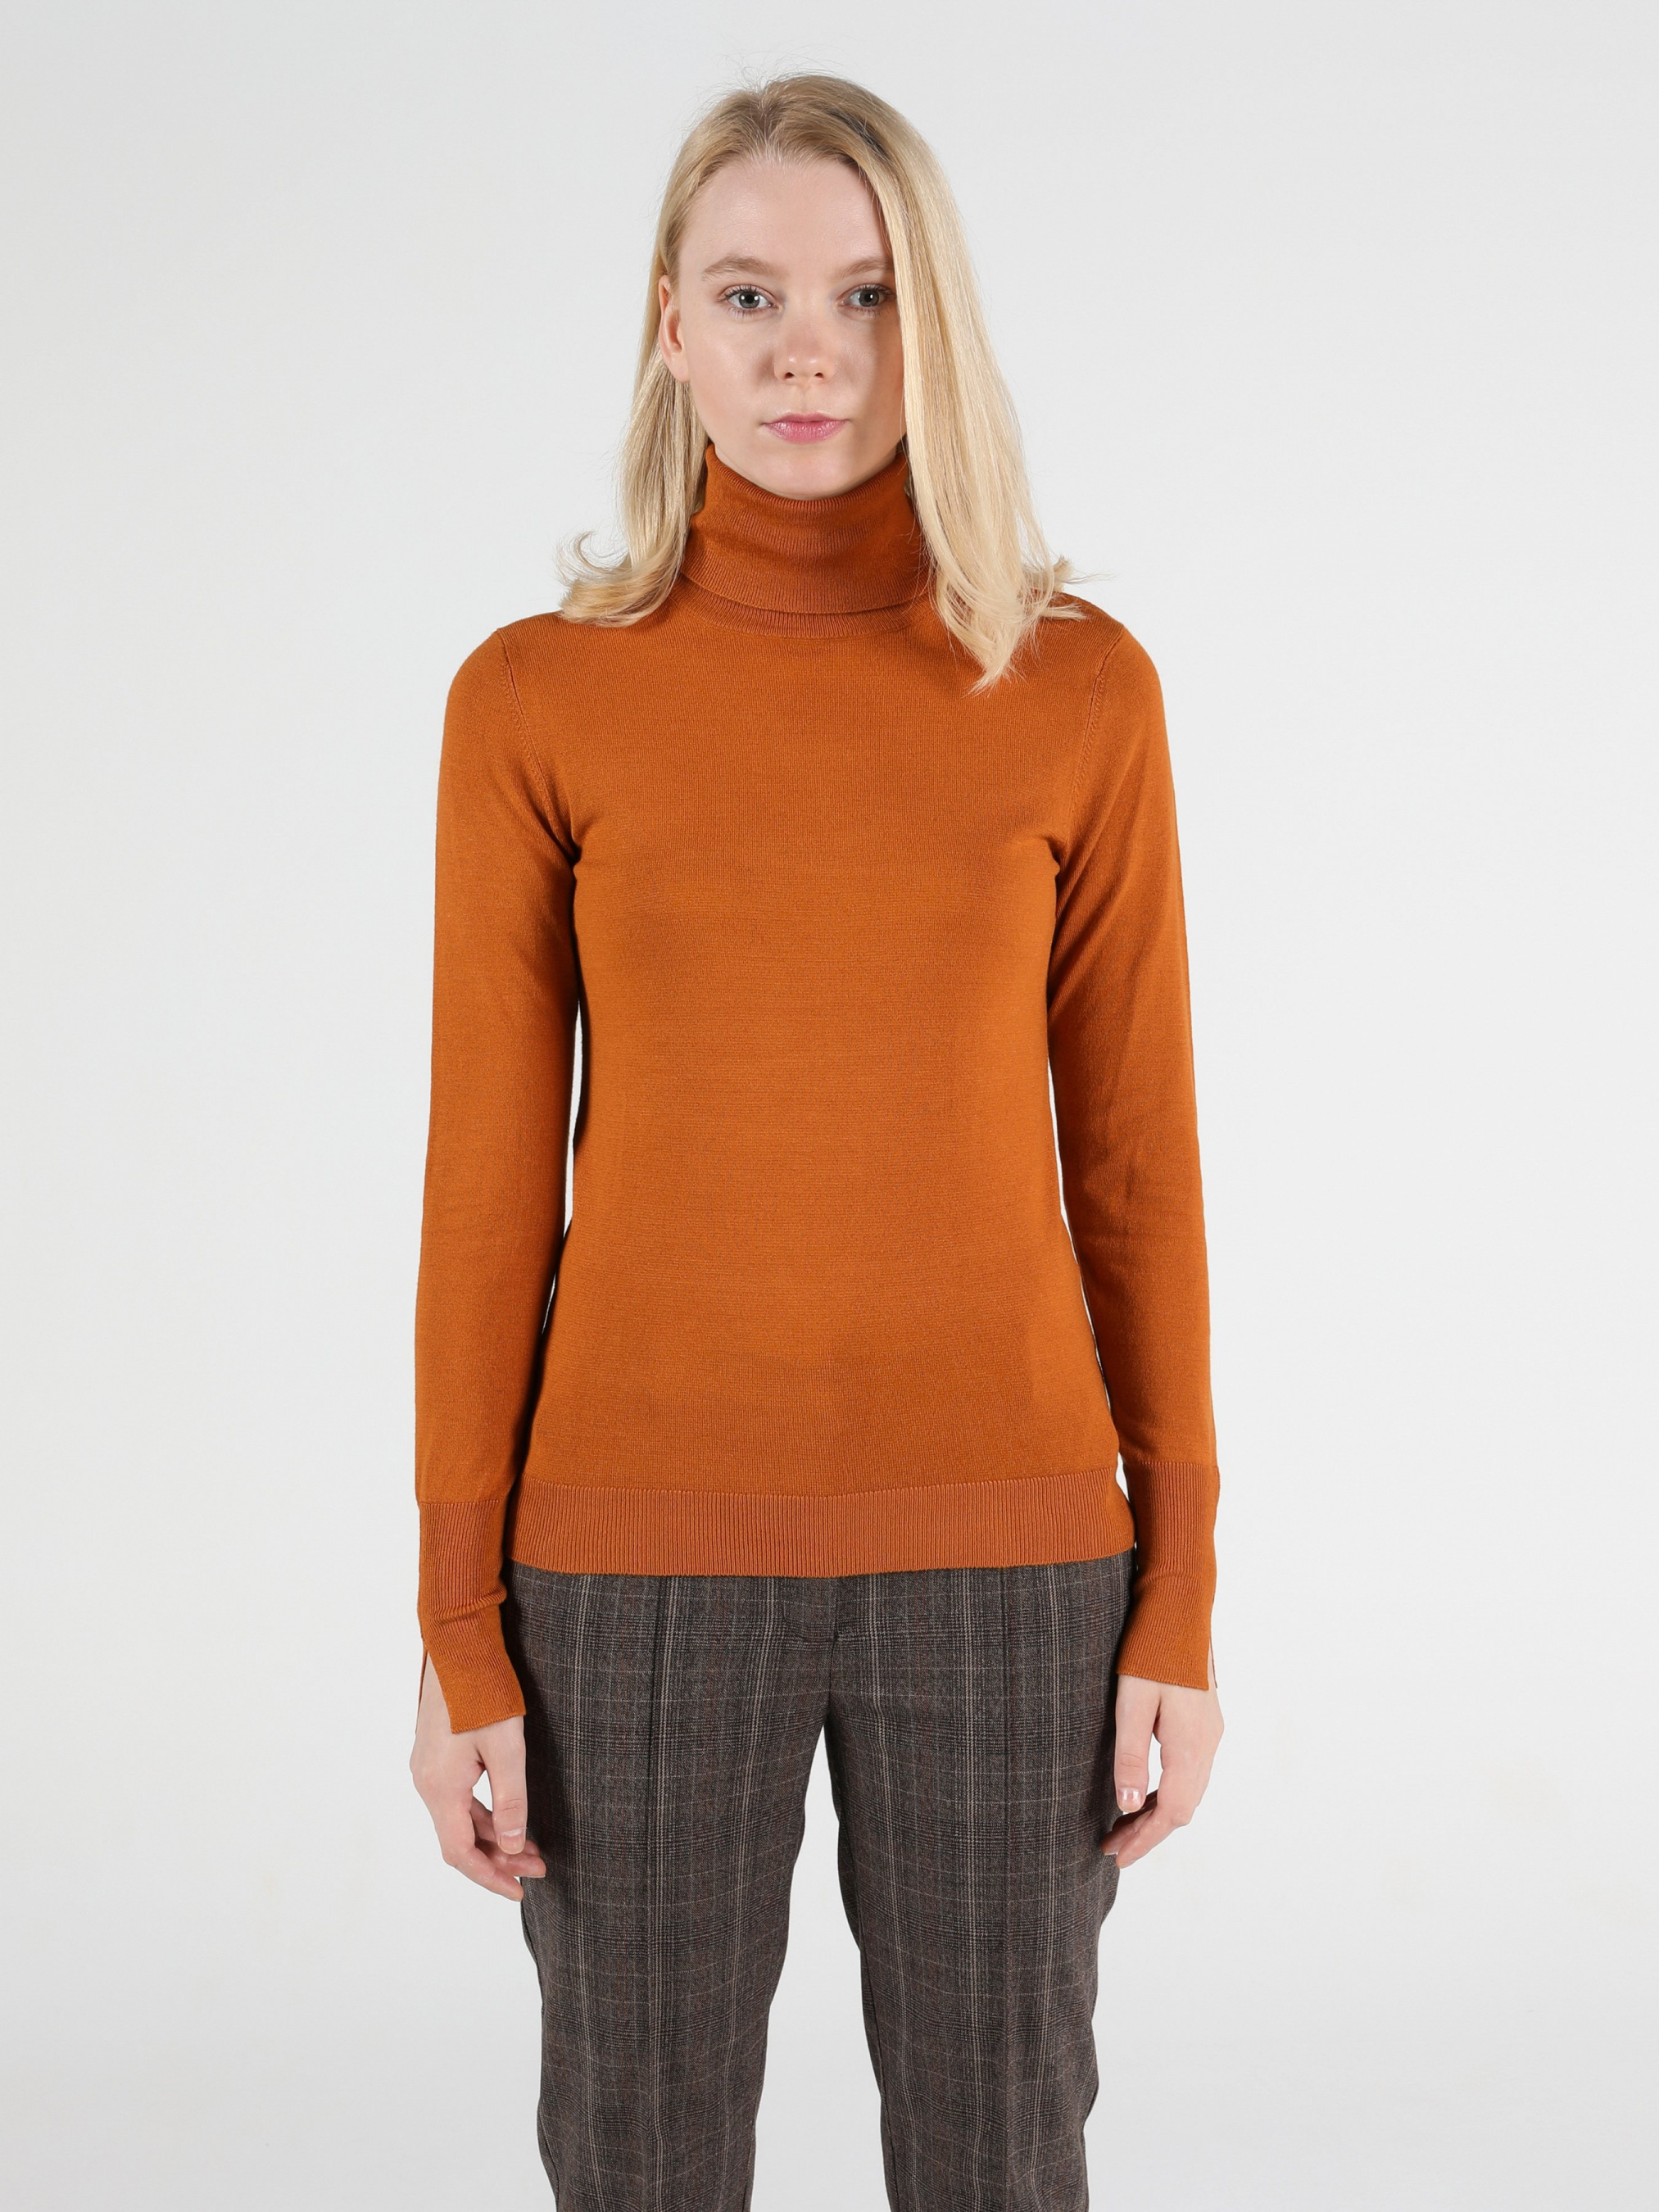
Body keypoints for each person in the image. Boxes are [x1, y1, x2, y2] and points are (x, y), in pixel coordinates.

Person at [408, 70, 1222, 2210]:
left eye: (865, 296)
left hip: (1016, 1562)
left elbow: (1137, 1170)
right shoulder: (536, 699)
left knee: (1001, 2159)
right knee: (639, 2160)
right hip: (630, 1565)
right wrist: (459, 1624)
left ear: (930, 326)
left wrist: (1182, 1593)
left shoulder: (1077, 691)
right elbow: (487, 1192)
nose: (807, 352)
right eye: (751, 292)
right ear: (667, 325)